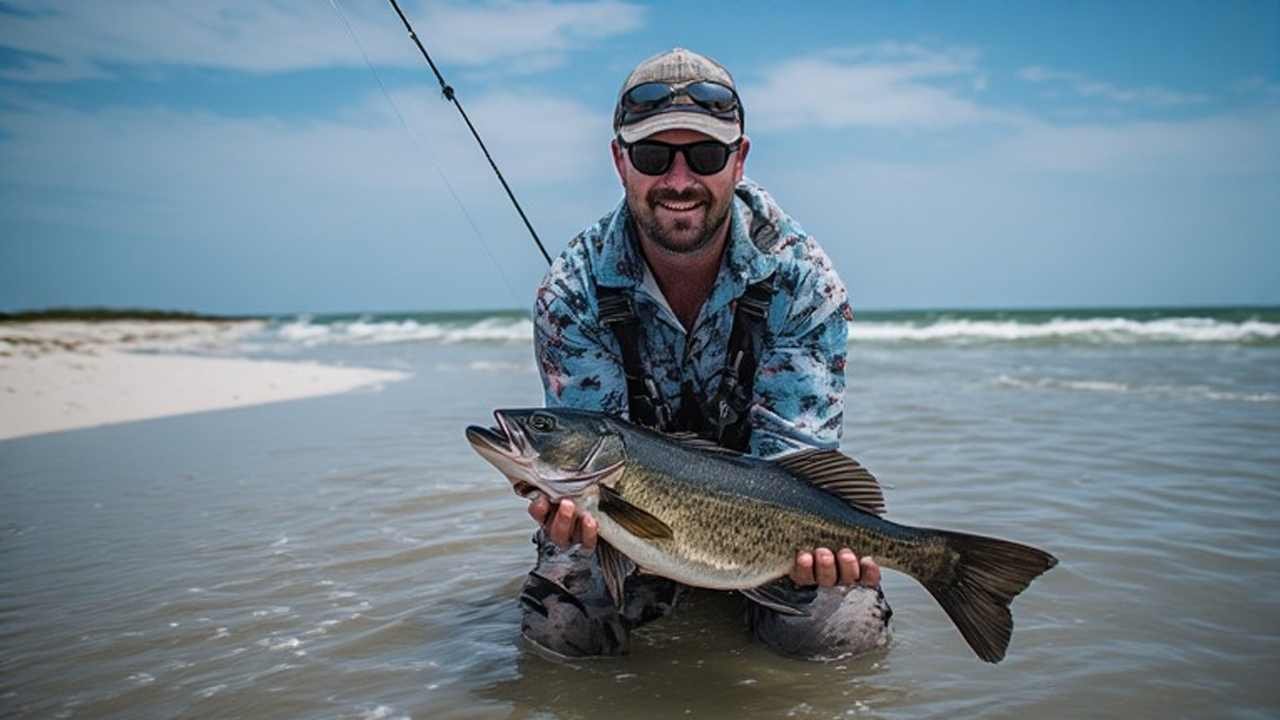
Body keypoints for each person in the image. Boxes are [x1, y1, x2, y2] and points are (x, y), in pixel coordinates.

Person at [522, 48, 891, 660]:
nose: (678, 180)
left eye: (706, 154)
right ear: (620, 161)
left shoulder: (805, 281)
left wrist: (804, 555)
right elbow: (587, 456)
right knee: (562, 633)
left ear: (739, 159)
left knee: (842, 639)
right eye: (651, 155)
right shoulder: (572, 290)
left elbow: (794, 468)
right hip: (628, 524)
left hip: (766, 523)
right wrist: (577, 516)